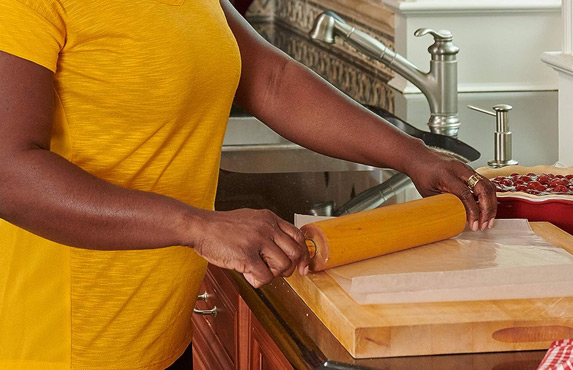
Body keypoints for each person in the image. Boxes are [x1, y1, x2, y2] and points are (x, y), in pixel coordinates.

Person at [0, 0, 497, 369]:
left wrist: (412, 154)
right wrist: (197, 226)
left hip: (154, 332)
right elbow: (9, 174)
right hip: (55, 343)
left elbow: (271, 80)